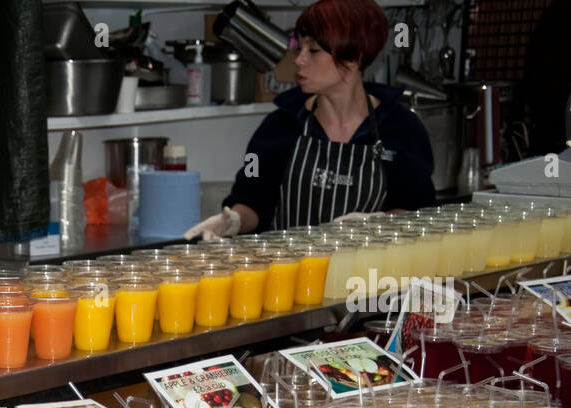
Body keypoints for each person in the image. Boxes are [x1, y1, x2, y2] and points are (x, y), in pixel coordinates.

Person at [186, 0, 435, 239]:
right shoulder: (278, 126)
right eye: (299, 47)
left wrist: (380, 223)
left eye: (313, 50)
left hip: (367, 278)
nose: (299, 59)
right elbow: (251, 195)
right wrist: (234, 220)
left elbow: (419, 211)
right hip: (289, 273)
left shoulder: (402, 129)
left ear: (354, 56)